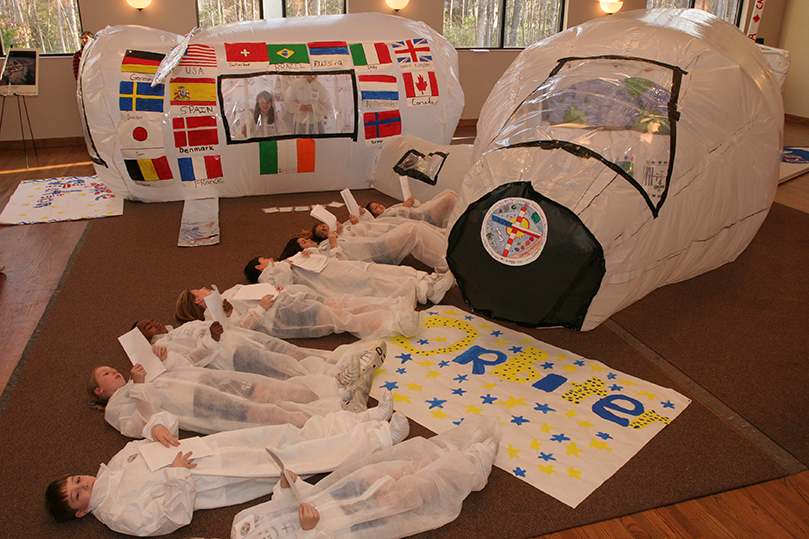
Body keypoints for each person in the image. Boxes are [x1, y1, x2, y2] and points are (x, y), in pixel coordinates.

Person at [45, 408, 410, 536]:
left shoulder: (116, 465)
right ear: (80, 511)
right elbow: (167, 519)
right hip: (215, 477)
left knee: (284, 435)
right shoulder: (116, 513)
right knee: (294, 460)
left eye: (76, 479)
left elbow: (154, 434)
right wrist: (176, 475)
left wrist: (156, 427)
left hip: (212, 449)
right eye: (79, 493)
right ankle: (376, 439)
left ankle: (360, 420)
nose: (84, 483)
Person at [231, 415, 501, 539]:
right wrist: (310, 532)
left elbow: (277, 506)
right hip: (343, 527)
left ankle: (446, 455)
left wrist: (285, 488)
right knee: (402, 496)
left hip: (329, 498)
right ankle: (470, 467)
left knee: (381, 473)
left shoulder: (242, 524)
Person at [88, 342, 382, 437]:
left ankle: (339, 394)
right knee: (269, 413)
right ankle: (343, 420)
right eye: (105, 374)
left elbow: (182, 365)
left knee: (276, 391)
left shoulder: (139, 374)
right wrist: (140, 388)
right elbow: (144, 424)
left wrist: (165, 358)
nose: (113, 371)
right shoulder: (117, 406)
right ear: (100, 391)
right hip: (196, 403)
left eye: (110, 368)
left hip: (206, 380)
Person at [244, 235, 454, 306]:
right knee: (370, 282)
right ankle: (426, 291)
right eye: (265, 259)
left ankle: (427, 280)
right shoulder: (269, 275)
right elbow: (286, 286)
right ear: (258, 266)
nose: (270, 258)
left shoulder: (284, 264)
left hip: (332, 267)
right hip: (327, 278)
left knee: (377, 270)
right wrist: (288, 264)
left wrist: (311, 253)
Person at [175, 284, 419, 341]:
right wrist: (261, 307)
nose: (208, 288)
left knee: (342, 304)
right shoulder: (211, 318)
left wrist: (273, 289)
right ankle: (395, 323)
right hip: (281, 318)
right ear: (198, 301)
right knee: (342, 318)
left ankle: (392, 305)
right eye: (203, 290)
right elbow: (240, 330)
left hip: (287, 301)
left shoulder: (226, 294)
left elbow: (249, 292)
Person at [309, 219, 450, 273]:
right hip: (378, 250)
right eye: (323, 232)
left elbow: (362, 237)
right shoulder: (326, 246)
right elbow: (344, 265)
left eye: (324, 226)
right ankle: (444, 264)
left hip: (377, 244)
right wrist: (334, 243)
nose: (326, 229)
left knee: (417, 228)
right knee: (412, 230)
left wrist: (345, 231)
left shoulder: (343, 231)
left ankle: (447, 248)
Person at [363, 189, 458, 229]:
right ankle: (461, 220)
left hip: (422, 208)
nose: (380, 206)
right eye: (376, 208)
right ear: (375, 215)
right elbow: (400, 222)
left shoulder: (391, 208)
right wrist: (404, 207)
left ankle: (462, 215)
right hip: (424, 215)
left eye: (378, 204)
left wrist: (412, 202)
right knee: (449, 198)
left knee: (449, 192)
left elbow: (417, 204)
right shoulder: (383, 219)